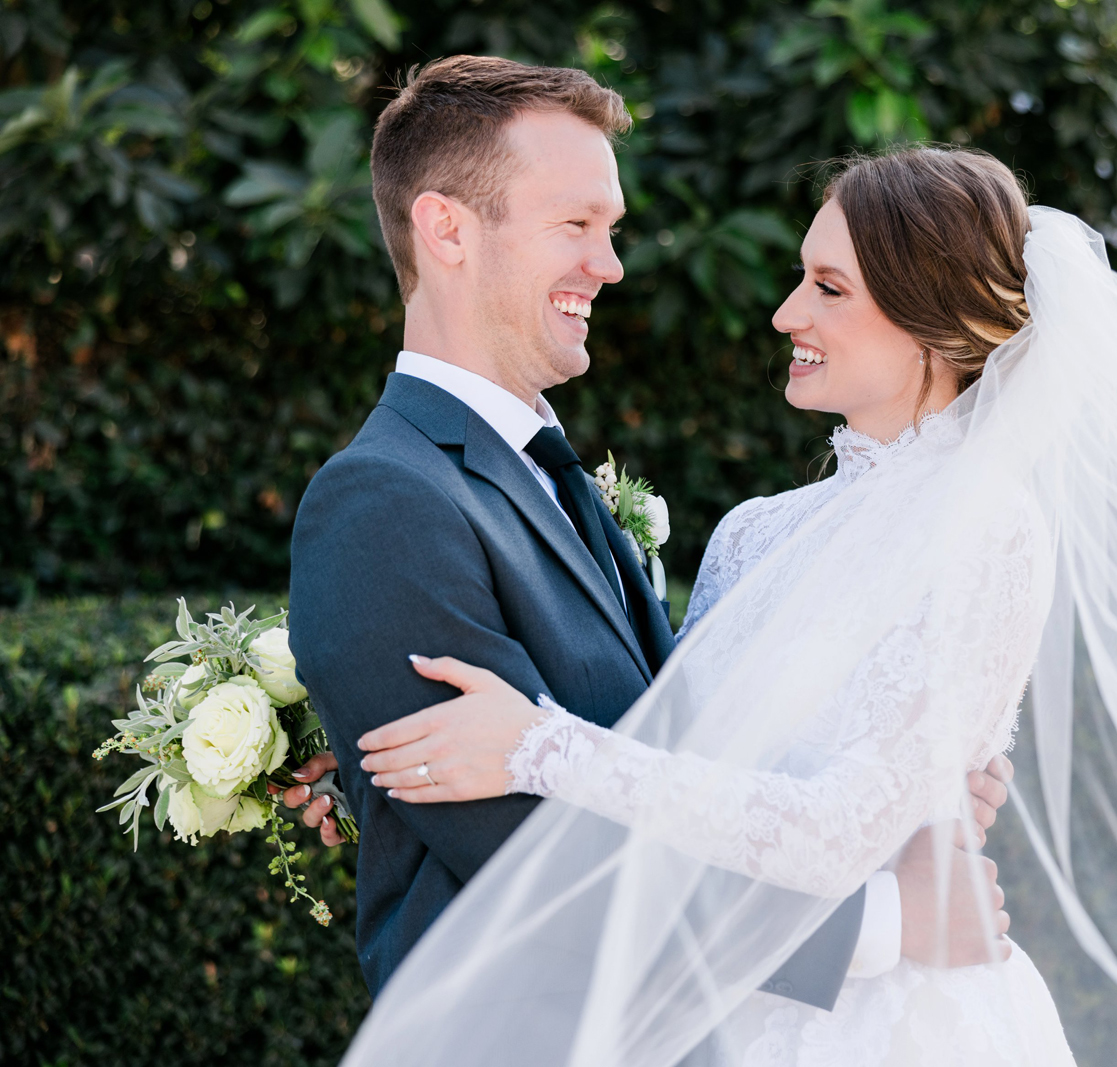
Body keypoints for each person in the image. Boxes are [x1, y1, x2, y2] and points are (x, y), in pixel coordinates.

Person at [340, 143, 1117, 1067]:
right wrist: (346, 751)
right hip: (724, 1011)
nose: (785, 313)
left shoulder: (989, 532)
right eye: (800, 280)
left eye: (828, 287)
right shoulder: (754, 531)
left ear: (935, 323)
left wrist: (539, 746)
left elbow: (827, 829)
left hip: (894, 1023)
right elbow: (687, 754)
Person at [286, 56, 1013, 1009]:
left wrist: (903, 793)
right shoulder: (385, 499)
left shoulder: (550, 477)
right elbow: (541, 873)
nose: (611, 264)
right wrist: (879, 922)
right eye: (576, 224)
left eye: (612, 229)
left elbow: (675, 754)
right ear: (447, 229)